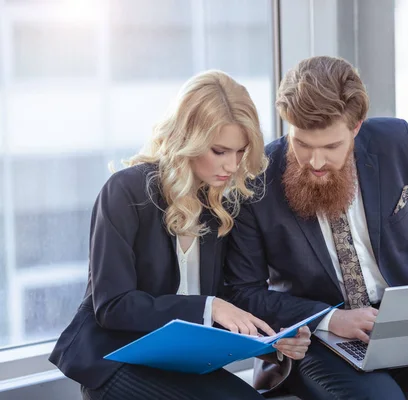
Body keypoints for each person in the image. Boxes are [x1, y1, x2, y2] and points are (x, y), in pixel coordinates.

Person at [224, 56, 408, 399]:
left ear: (356, 126)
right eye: (302, 144)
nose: (316, 162)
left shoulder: (395, 141)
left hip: (405, 326)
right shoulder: (256, 179)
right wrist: (330, 319)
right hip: (316, 340)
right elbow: (244, 291)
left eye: (332, 146)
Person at [48, 70, 311, 400]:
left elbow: (232, 298)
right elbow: (112, 306)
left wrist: (272, 340)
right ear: (189, 138)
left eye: (241, 152)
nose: (232, 165)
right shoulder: (126, 192)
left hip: (183, 364)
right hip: (117, 361)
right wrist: (210, 306)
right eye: (219, 151)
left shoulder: (222, 203)